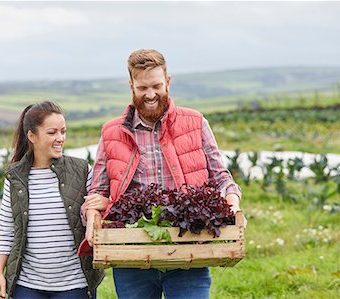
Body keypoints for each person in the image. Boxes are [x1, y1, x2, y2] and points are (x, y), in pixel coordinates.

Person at [82, 49, 242, 299]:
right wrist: (92, 214)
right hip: (132, 254)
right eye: (142, 87)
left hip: (189, 250)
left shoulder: (195, 122)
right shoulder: (112, 132)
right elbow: (98, 192)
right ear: (131, 86)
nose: (150, 94)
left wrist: (231, 201)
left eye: (156, 85)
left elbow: (221, 178)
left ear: (167, 82)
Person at [0, 101, 104, 299]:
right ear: (32, 136)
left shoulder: (81, 170)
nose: (60, 138)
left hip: (75, 284)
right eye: (52, 133)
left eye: (63, 131)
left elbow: (97, 205)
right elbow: (6, 230)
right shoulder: (15, 177)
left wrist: (105, 202)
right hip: (27, 284)